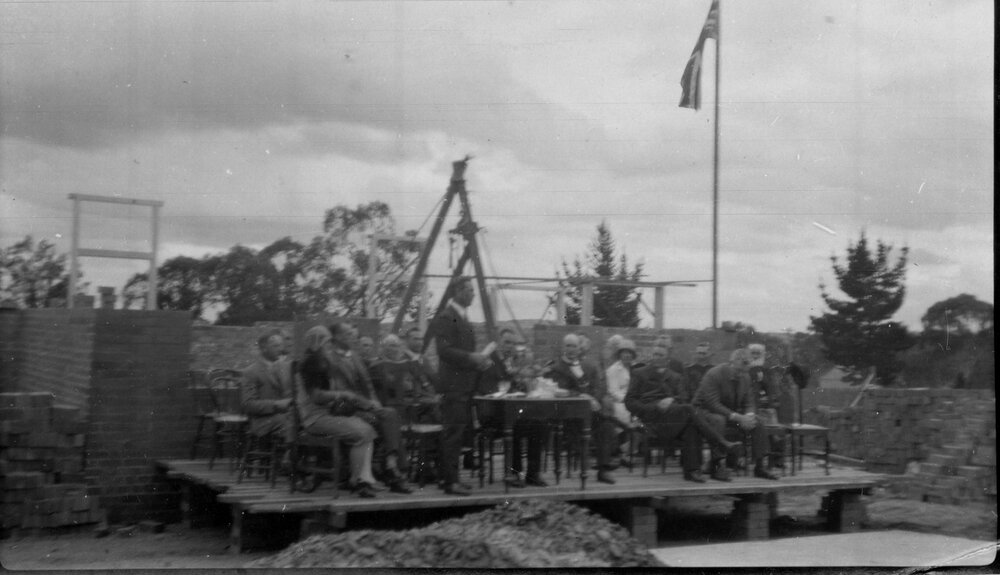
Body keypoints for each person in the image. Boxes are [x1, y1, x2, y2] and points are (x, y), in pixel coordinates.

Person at [625, 338, 740, 483]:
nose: (656, 358)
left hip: (673, 419)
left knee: (690, 422)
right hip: (652, 421)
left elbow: (683, 398)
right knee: (689, 415)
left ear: (667, 359)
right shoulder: (639, 373)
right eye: (654, 354)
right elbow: (629, 402)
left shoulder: (675, 377)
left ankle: (691, 472)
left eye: (660, 355)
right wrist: (656, 406)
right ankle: (720, 442)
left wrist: (672, 400)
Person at [326, 322, 412, 494]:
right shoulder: (330, 359)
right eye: (348, 334)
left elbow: (367, 385)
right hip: (342, 407)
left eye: (353, 334)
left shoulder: (355, 357)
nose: (353, 337)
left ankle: (391, 464)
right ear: (336, 337)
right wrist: (368, 405)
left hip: (361, 405)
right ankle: (371, 478)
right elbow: (340, 391)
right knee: (374, 420)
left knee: (390, 414)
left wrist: (374, 401)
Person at [297, 326, 382, 498]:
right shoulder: (312, 363)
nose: (330, 345)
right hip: (315, 417)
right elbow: (316, 396)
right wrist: (341, 394)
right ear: (318, 343)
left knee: (366, 429)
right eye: (327, 342)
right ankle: (357, 481)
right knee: (362, 432)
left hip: (324, 415)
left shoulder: (318, 360)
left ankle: (358, 479)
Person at [430, 276, 492, 496]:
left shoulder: (463, 317)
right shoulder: (447, 317)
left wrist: (479, 361)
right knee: (453, 433)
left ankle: (452, 478)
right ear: (456, 291)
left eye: (473, 290)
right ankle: (449, 482)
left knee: (458, 433)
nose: (473, 294)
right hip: (453, 386)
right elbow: (444, 351)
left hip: (464, 384)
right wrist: (472, 358)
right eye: (469, 290)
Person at [692, 348, 780, 481]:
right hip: (703, 412)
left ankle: (760, 467)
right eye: (738, 371)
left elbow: (749, 401)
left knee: (758, 421)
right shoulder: (714, 374)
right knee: (718, 420)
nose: (740, 374)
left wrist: (749, 416)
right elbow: (712, 404)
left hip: (728, 414)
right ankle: (716, 467)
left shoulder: (745, 376)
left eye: (744, 371)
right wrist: (739, 417)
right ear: (730, 363)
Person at [543, 333, 618, 484]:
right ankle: (583, 467)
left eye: (574, 346)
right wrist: (585, 397)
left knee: (607, 426)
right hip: (568, 415)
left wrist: (594, 398)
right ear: (563, 348)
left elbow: (599, 387)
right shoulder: (556, 368)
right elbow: (561, 390)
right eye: (568, 345)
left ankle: (603, 470)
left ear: (579, 349)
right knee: (581, 430)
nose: (571, 349)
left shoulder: (588, 366)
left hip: (590, 413)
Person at [478, 328, 547, 487]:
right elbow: (484, 388)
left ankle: (533, 473)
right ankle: (514, 474)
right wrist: (502, 391)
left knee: (539, 424)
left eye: (514, 343)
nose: (510, 346)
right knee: (515, 425)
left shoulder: (515, 361)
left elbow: (518, 387)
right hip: (491, 412)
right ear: (499, 343)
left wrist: (525, 383)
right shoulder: (490, 360)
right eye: (507, 342)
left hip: (510, 411)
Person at [240, 332, 295, 467]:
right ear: (264, 348)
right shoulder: (251, 372)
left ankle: (294, 460)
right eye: (276, 346)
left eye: (281, 345)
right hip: (263, 420)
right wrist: (276, 404)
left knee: (304, 420)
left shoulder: (286, 368)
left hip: (286, 416)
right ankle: (290, 463)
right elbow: (247, 404)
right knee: (291, 423)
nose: (280, 349)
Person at [370, 334, 440, 424]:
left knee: (437, 402)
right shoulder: (377, 365)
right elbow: (394, 385)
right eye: (392, 346)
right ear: (383, 347)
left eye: (398, 346)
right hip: (392, 402)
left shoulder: (401, 363)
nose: (396, 349)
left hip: (409, 397)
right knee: (434, 404)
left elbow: (416, 378)